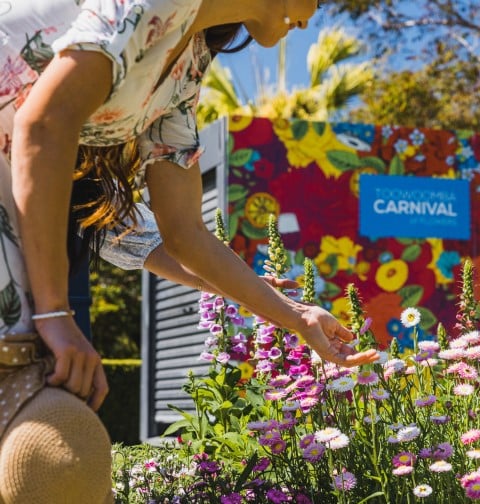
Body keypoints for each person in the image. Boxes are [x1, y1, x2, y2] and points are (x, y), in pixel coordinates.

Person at [0, 1, 378, 501]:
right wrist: (53, 311)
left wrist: (296, 316)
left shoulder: (186, 60)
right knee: (56, 454)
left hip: (26, 241)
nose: (312, 17)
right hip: (24, 260)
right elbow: (42, 126)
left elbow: (184, 233)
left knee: (62, 460)